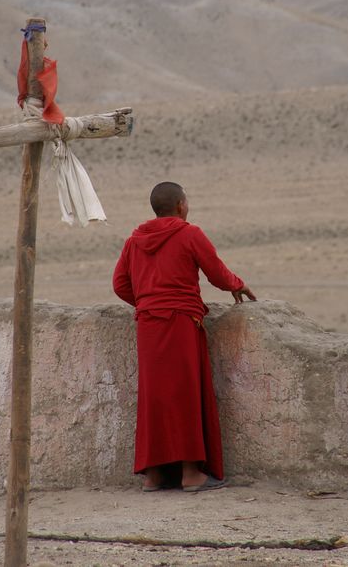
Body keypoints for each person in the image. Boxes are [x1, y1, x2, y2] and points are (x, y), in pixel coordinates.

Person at [112, 181, 256, 492]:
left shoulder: (134, 240)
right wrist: (238, 284)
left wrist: (149, 302)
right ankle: (191, 475)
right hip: (181, 322)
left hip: (148, 325)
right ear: (180, 206)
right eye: (186, 202)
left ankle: (154, 476)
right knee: (186, 394)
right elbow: (216, 273)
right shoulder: (189, 233)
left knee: (154, 396)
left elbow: (120, 284)